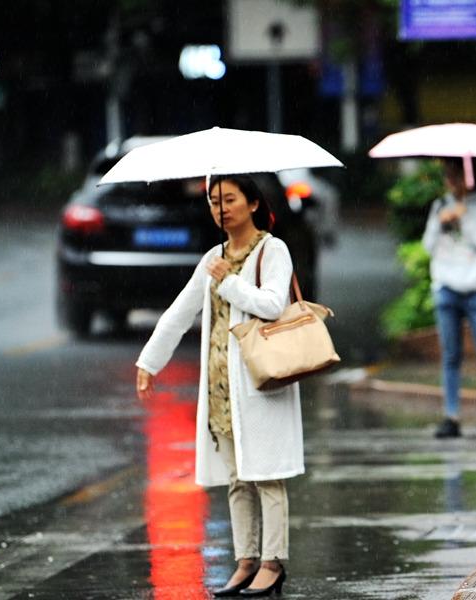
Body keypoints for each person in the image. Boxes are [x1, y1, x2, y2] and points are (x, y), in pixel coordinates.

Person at [135, 174, 302, 597]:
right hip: (222, 390)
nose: (220, 208)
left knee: (268, 475)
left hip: (262, 387)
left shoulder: (272, 250)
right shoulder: (213, 256)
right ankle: (245, 560)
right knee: (237, 479)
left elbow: (272, 304)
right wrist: (150, 361)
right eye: (214, 201)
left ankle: (272, 562)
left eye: (229, 199)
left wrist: (229, 281)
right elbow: (180, 311)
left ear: (252, 204)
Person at [422, 158, 476, 440]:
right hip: (446, 287)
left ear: (470, 177)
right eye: (448, 177)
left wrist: (466, 220)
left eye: (456, 176)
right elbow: (428, 247)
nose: (452, 183)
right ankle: (451, 416)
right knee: (451, 355)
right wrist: (439, 222)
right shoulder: (439, 205)